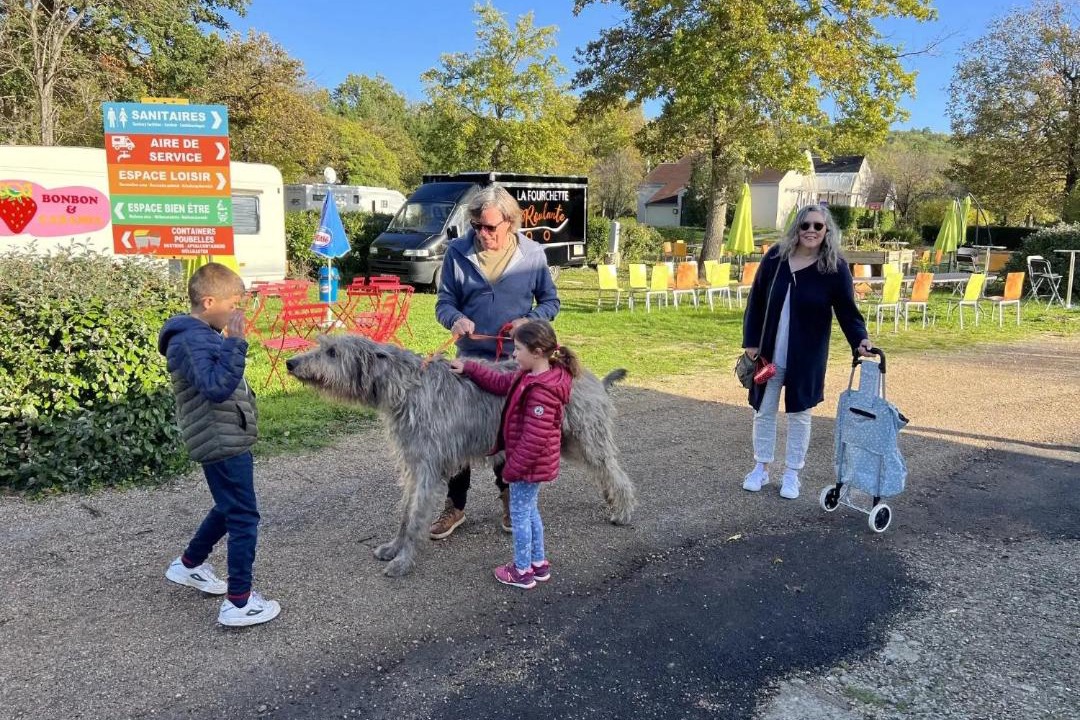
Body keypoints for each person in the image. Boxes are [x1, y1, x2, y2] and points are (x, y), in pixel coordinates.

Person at [431, 185, 560, 539]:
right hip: (469, 364)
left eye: (490, 227)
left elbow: (550, 302)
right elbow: (444, 303)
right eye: (476, 226)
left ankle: (508, 499)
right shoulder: (457, 253)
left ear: (511, 223)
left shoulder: (533, 254)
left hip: (514, 363)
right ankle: (455, 507)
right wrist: (454, 319)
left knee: (509, 432)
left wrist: (530, 321)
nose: (482, 234)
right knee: (460, 435)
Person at [158, 263, 280, 627]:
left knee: (229, 506)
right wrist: (235, 342)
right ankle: (239, 603)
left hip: (224, 434)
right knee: (243, 515)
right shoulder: (193, 338)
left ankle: (188, 565)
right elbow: (215, 387)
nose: (237, 311)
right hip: (219, 439)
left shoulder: (201, 333)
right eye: (233, 303)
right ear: (209, 301)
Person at [741, 204, 873, 500]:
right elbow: (756, 300)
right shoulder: (775, 257)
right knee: (763, 411)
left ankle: (791, 474)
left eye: (818, 226)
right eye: (805, 225)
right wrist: (751, 340)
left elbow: (847, 311)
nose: (811, 231)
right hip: (768, 354)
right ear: (796, 228)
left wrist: (860, 339)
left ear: (827, 231)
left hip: (807, 356)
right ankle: (760, 468)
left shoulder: (834, 267)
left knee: (800, 414)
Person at [450, 320, 576, 589]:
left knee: (520, 515)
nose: (513, 354)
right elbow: (499, 382)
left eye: (518, 349)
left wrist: (512, 470)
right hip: (530, 464)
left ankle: (521, 571)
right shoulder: (530, 375)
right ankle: (538, 564)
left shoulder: (541, 391)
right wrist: (470, 368)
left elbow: (534, 439)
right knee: (530, 512)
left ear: (538, 351)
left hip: (528, 466)